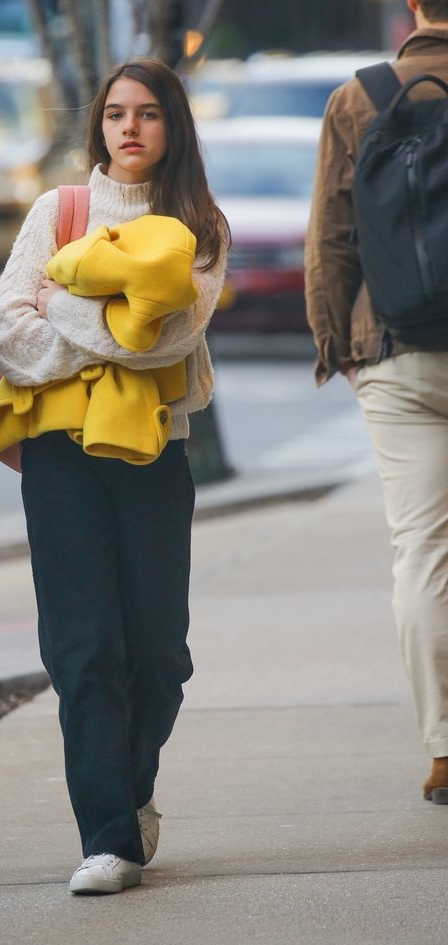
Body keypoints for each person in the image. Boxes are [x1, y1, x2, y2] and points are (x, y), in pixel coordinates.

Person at [0, 58, 228, 893]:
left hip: (157, 449)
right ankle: (107, 837)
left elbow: (161, 343)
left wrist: (61, 306)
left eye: (150, 114)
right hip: (59, 453)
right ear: (100, 126)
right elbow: (8, 331)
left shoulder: (199, 223)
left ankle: (129, 792)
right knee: (84, 646)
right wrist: (91, 318)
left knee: (159, 654)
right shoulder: (60, 211)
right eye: (118, 113)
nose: (130, 128)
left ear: (174, 128)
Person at [305, 0, 448, 804]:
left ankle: (444, 750)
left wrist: (339, 347)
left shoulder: (360, 95)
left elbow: (330, 235)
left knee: (423, 552)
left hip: (393, 346)